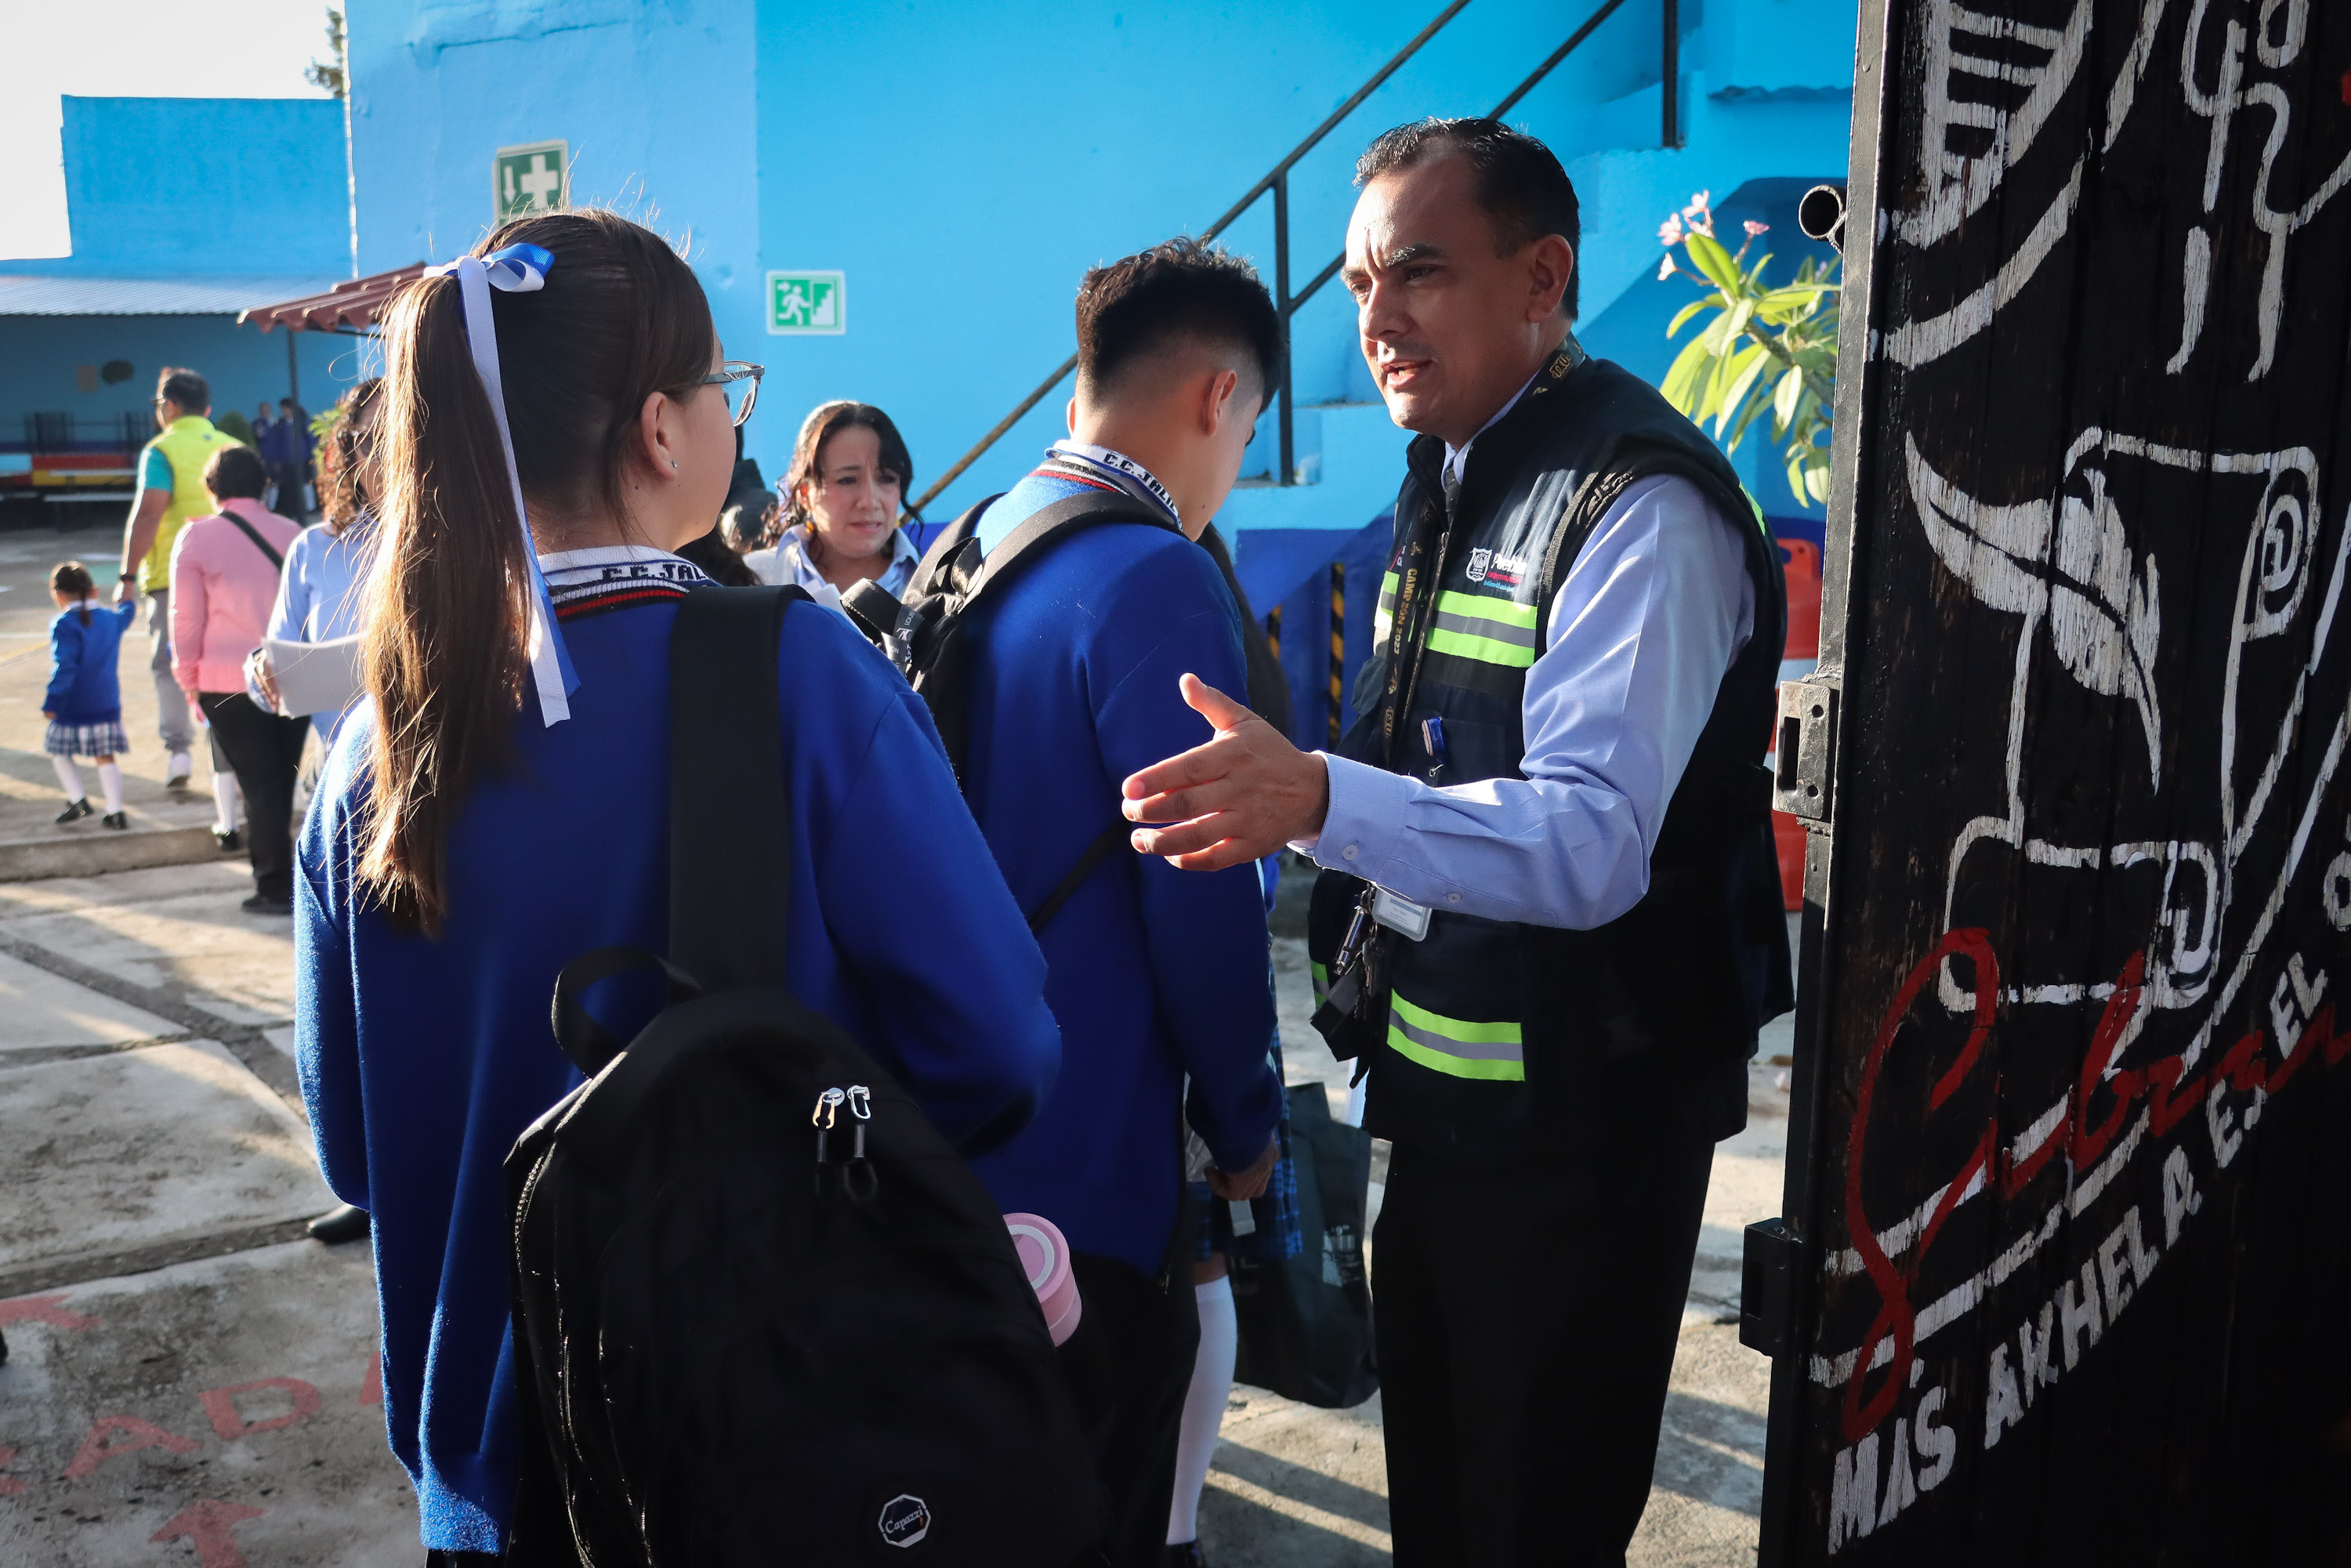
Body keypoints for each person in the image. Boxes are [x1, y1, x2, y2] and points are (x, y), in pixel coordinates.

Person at [295, 208, 1062, 1564]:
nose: (729, 410)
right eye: (725, 383)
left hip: (496, 1481)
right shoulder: (805, 674)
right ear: (661, 429)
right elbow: (999, 1043)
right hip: (771, 1437)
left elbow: (356, 1153)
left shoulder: (376, 738)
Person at [1119, 121, 1791, 1566]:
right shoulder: (1459, 468)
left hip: (1583, 1141)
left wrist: (1315, 804)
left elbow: (1593, 840)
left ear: (1544, 277)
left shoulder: (1639, 504)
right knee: (1443, 1507)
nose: (1377, 319)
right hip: (1439, 1113)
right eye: (1361, 282)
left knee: (1530, 1520)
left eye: (1418, 272)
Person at [950, 237, 1286, 1567]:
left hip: (970, 1110)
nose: (1236, 459)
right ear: (1218, 396)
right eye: (1250, 426)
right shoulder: (1156, 572)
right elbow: (1200, 893)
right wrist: (1246, 1122)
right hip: (1095, 1153)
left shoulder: (988, 531)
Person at [171, 444, 307, 914]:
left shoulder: (196, 539)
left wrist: (189, 679)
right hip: (289, 677)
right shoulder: (293, 533)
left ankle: (274, 888)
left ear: (212, 489)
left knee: (258, 785)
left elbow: (186, 622)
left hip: (225, 681)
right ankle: (291, 882)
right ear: (264, 484)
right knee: (280, 784)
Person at [118, 366, 241, 792]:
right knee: (227, 663)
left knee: (169, 665)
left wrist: (127, 576)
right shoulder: (233, 445)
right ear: (206, 408)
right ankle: (227, 755)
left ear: (169, 406)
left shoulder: (160, 450)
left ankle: (179, 754)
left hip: (173, 573)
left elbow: (150, 512)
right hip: (231, 575)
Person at [248, 378, 385, 747]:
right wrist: (264, 671)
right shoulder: (314, 549)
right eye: (372, 442)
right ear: (349, 453)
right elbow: (277, 663)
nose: (386, 458)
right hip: (347, 773)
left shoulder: (466, 545)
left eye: (403, 438)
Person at [742, 400, 923, 608]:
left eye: (887, 479)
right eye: (847, 480)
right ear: (804, 494)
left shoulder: (940, 586)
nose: (870, 501)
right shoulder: (754, 580)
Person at [42, 561, 139, 831]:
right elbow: (127, 612)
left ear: (58, 595)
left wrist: (53, 701)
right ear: (94, 591)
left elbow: (65, 666)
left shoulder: (63, 624)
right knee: (105, 756)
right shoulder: (111, 619)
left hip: (73, 705)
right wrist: (128, 590)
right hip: (106, 701)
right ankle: (116, 811)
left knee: (59, 753)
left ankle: (78, 800)